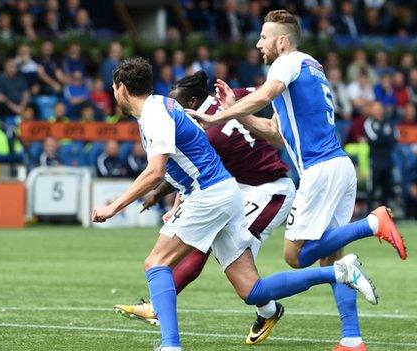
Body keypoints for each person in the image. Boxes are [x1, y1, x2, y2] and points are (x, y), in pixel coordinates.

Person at [93, 57, 378, 351]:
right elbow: (194, 153)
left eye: (114, 89)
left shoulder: (154, 115)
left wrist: (114, 206)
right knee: (252, 290)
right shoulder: (164, 106)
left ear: (122, 89)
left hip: (213, 194)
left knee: (156, 263)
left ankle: (170, 345)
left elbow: (155, 171)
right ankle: (339, 272)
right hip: (227, 193)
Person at [186, 11, 406, 351]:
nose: (259, 44)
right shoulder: (311, 68)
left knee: (294, 256)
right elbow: (276, 132)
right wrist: (240, 111)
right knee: (334, 259)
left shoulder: (287, 63)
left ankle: (372, 222)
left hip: (319, 172)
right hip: (339, 168)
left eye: (263, 37)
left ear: (282, 41)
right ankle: (352, 339)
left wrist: (216, 116)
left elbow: (263, 95)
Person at [115, 70, 296, 344]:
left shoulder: (207, 129)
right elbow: (265, 92)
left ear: (194, 99)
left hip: (269, 191)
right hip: (239, 188)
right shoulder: (229, 99)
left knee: (232, 263)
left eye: (181, 103)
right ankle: (269, 308)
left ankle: (275, 305)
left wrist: (170, 197)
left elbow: (197, 168)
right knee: (212, 248)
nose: (177, 107)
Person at [364, 102, 397, 211]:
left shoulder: (389, 122)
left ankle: (386, 217)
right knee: (372, 189)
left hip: (387, 160)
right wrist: (385, 138)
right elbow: (373, 139)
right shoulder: (368, 123)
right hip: (375, 161)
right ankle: (369, 215)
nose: (378, 111)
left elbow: (393, 139)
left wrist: (382, 138)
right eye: (375, 109)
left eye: (379, 108)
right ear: (372, 111)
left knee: (386, 190)